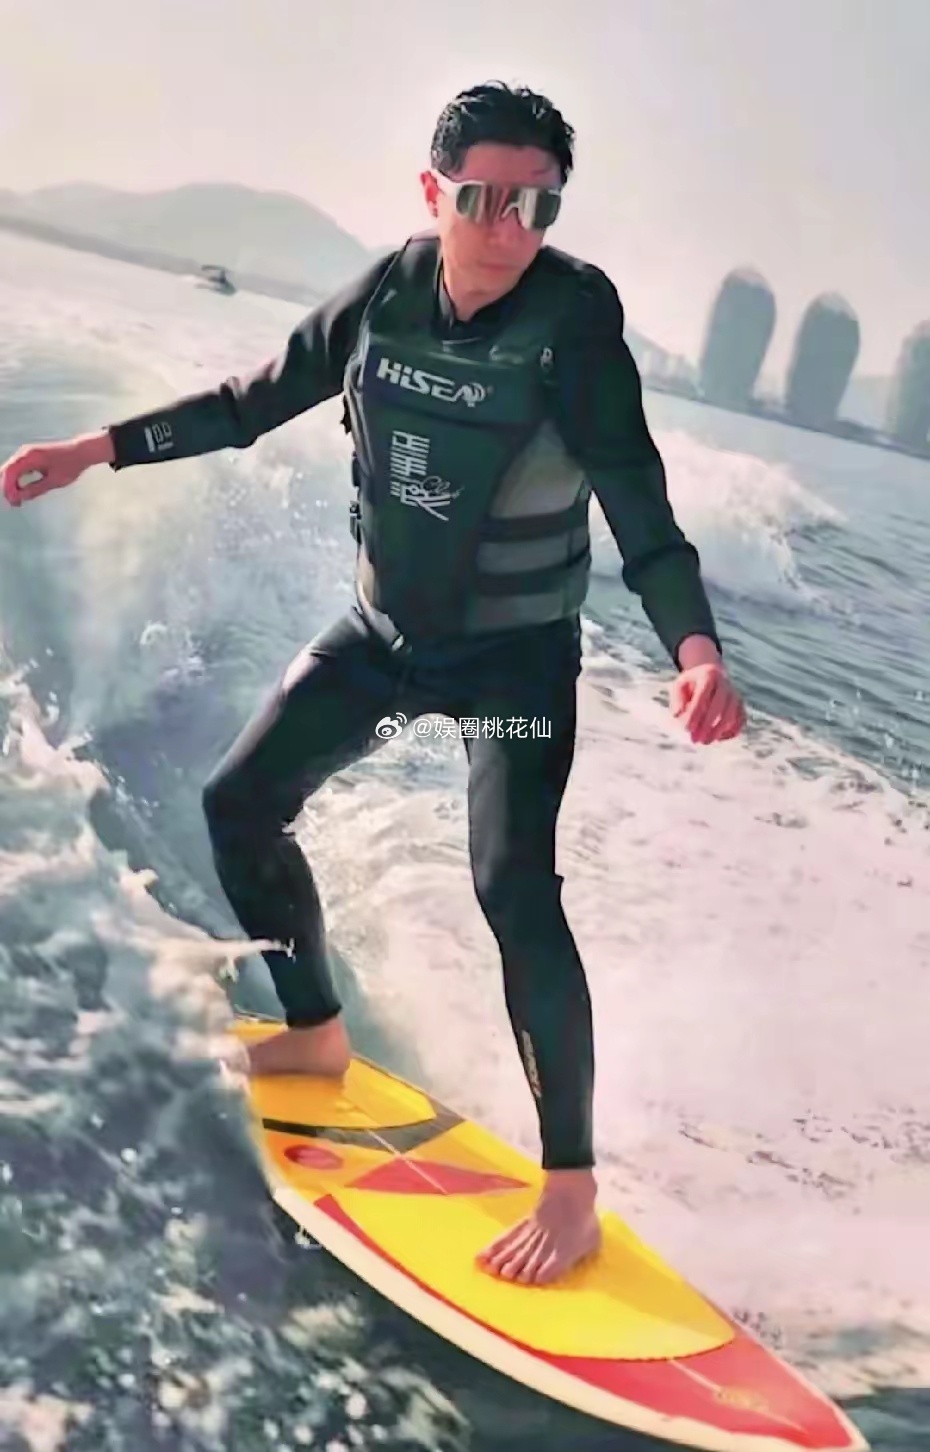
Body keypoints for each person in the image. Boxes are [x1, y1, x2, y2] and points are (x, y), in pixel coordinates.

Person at [2, 81, 746, 1286]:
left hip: (514, 661)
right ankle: (316, 1037)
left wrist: (695, 650)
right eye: (483, 198)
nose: (508, 226)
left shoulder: (574, 330)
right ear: (433, 192)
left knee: (513, 886)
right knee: (240, 805)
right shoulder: (386, 295)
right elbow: (251, 404)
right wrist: (97, 449)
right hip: (388, 635)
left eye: (537, 204)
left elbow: (643, 511)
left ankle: (570, 1189)